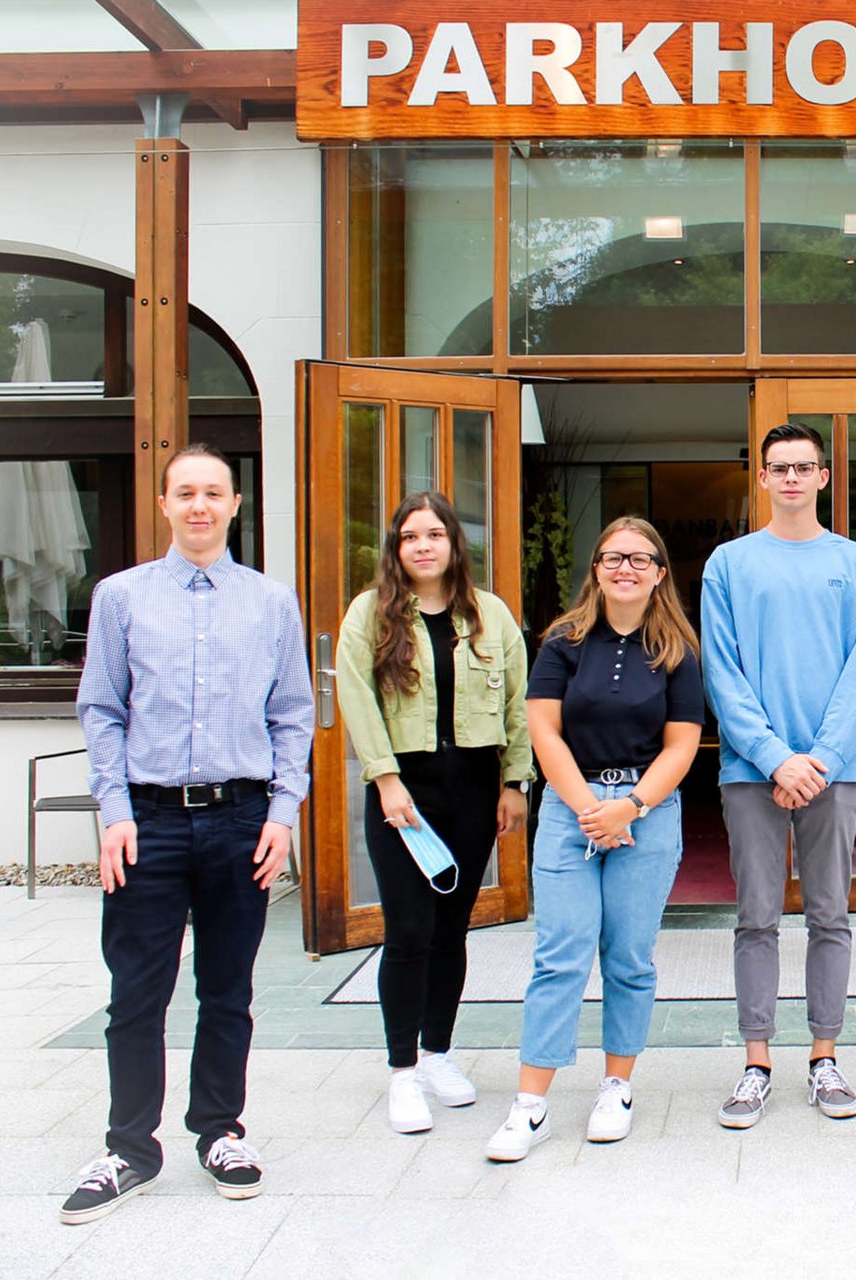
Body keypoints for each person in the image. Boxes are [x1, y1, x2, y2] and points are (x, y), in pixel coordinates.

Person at [62, 443, 314, 1225]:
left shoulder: (270, 602)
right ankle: (129, 1148)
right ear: (164, 504)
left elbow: (292, 714)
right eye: (186, 493)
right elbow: (102, 710)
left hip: (242, 820)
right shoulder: (121, 597)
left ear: (235, 504)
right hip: (149, 822)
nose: (199, 505)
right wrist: (113, 812)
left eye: (213, 492)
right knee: (136, 991)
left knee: (228, 989)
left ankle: (219, 1132)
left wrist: (282, 812)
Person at [484, 518, 704, 1158]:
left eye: (639, 559)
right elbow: (543, 732)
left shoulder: (677, 650)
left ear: (659, 573)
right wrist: (591, 810)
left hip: (647, 810)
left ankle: (617, 1086)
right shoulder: (563, 640)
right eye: (613, 558)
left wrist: (629, 808)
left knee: (629, 955)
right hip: (570, 808)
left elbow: (683, 743)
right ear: (597, 570)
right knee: (561, 953)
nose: (625, 568)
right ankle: (531, 1105)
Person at [701, 421, 856, 1129]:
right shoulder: (729, 564)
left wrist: (820, 758)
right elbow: (722, 671)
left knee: (829, 914)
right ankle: (756, 1062)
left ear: (823, 477)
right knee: (755, 916)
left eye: (803, 467)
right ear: (761, 477)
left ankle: (824, 1057)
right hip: (751, 769)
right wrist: (773, 755)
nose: (790, 478)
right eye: (778, 467)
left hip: (834, 770)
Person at [334, 492, 531, 1135]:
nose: (423, 546)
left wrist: (514, 782)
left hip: (472, 790)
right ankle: (402, 1071)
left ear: (453, 544)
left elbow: (519, 703)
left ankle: (438, 1054)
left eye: (435, 534)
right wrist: (386, 779)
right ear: (396, 547)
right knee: (408, 931)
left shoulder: (489, 614)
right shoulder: (371, 613)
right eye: (410, 536)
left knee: (451, 931)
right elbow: (357, 698)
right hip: (404, 794)